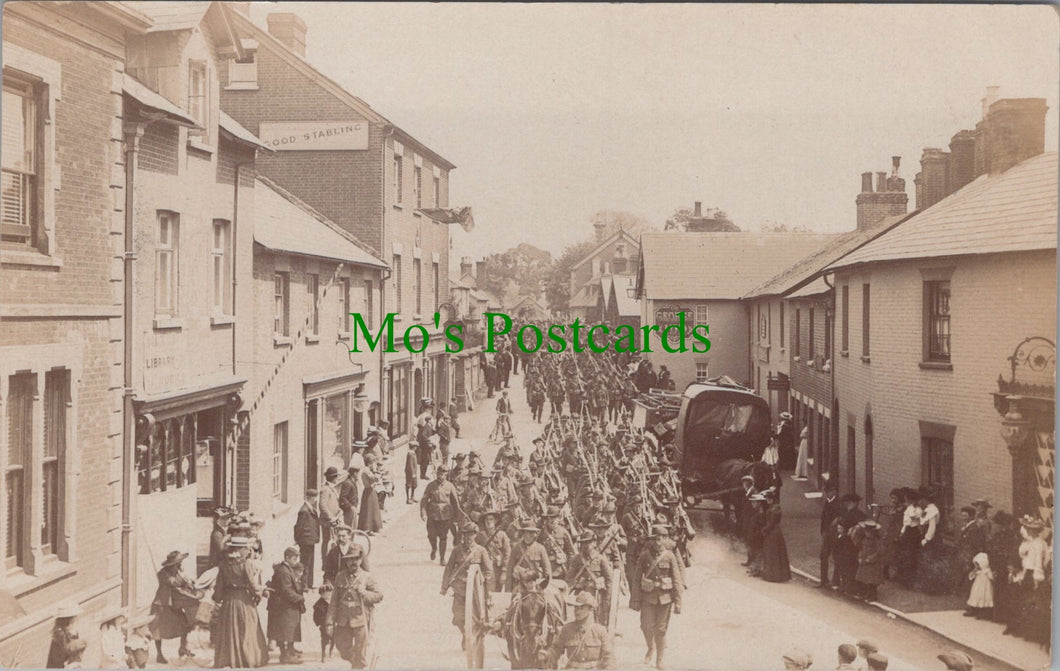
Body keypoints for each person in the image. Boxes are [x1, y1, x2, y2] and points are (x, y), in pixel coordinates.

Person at [441, 520, 494, 667]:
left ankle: (473, 634)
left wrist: (488, 589)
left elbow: (489, 571)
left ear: (476, 535)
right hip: (460, 589)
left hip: (476, 592)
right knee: (458, 618)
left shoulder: (481, 551)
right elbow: (449, 568)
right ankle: (465, 634)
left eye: (471, 535)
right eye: (465, 535)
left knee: (478, 619)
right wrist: (444, 587)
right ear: (462, 535)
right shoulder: (457, 550)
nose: (468, 537)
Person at [630, 524, 683, 670]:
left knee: (660, 630)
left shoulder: (670, 556)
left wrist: (678, 601)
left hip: (665, 598)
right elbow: (636, 579)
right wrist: (634, 599)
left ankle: (659, 659)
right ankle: (650, 647)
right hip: (648, 597)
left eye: (659, 539)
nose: (656, 543)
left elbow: (677, 579)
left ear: (665, 539)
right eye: (654, 539)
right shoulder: (644, 555)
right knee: (646, 626)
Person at [212, 536, 268, 668]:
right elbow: (252, 584)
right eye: (246, 548)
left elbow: (219, 587)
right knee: (247, 628)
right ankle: (247, 659)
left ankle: (229, 659)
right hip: (243, 600)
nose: (248, 550)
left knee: (229, 630)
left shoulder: (224, 565)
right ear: (241, 549)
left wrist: (217, 599)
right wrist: (258, 594)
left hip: (229, 601)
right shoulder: (245, 564)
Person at [326, 544, 383, 669]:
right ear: (346, 561)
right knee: (342, 647)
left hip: (360, 618)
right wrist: (329, 623)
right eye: (350, 559)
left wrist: (365, 593)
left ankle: (358, 665)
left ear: (361, 560)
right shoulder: (340, 576)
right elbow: (334, 601)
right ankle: (357, 662)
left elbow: (379, 595)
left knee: (360, 651)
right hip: (343, 620)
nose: (353, 562)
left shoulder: (367, 577)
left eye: (356, 559)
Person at [148, 550, 200, 663]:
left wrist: (189, 581)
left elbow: (183, 583)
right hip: (161, 604)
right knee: (158, 630)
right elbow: (173, 582)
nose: (181, 565)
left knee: (185, 624)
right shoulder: (163, 574)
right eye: (179, 563)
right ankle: (159, 655)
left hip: (173, 604)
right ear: (173, 564)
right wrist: (184, 579)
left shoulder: (176, 571)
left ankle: (183, 648)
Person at [547, 592, 616, 670]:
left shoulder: (600, 631)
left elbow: (609, 657)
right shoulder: (567, 629)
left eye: (581, 608)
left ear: (590, 609)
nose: (577, 611)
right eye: (575, 608)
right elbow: (556, 649)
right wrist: (547, 655)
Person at [267, 546, 306, 664]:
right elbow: (286, 591)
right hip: (283, 606)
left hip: (283, 605)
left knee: (288, 629)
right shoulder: (284, 571)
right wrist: (300, 598)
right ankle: (285, 656)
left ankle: (290, 649)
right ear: (287, 558)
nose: (296, 561)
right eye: (294, 559)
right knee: (284, 630)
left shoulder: (286, 568)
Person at [421, 465, 464, 564]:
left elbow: (455, 502)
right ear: (437, 474)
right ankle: (434, 548)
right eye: (440, 474)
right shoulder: (430, 486)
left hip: (446, 516)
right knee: (431, 536)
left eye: (444, 475)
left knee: (443, 537)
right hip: (432, 515)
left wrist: (456, 517)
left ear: (446, 475)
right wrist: (423, 513)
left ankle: (442, 558)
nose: (441, 477)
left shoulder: (450, 486)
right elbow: (424, 500)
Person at [506, 521, 553, 592]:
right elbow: (509, 571)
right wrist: (508, 590)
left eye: (532, 532)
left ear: (535, 534)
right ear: (523, 533)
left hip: (535, 585)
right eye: (527, 532)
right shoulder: (516, 548)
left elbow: (547, 570)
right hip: (520, 584)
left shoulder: (540, 548)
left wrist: (546, 587)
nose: (529, 535)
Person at [757, 488, 791, 583]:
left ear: (771, 499)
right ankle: (775, 574)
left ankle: (773, 575)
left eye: (768, 499)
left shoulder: (775, 508)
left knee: (772, 553)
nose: (767, 500)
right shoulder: (774, 507)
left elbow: (771, 522)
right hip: (775, 532)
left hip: (773, 532)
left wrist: (764, 530)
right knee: (774, 553)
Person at [477, 509, 511, 592]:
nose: (488, 522)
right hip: (483, 568)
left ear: (496, 521)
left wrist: (504, 571)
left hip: (497, 569)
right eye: (486, 519)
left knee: (495, 593)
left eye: (491, 519)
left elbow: (507, 553)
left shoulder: (502, 535)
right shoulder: (480, 535)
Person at [295, 489, 323, 589]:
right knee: (305, 563)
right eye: (315, 498)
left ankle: (309, 583)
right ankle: (304, 585)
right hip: (305, 541)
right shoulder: (304, 511)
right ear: (311, 498)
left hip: (310, 540)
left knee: (310, 562)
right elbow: (299, 526)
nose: (316, 500)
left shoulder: (310, 508)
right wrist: (297, 540)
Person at [47, 603, 88, 669]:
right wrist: (79, 644)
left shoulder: (72, 631)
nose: (77, 617)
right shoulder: (60, 632)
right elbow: (64, 651)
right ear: (70, 618)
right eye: (75, 616)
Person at [855, 521, 885, 601]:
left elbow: (880, 551)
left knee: (872, 580)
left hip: (873, 564)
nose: (866, 533)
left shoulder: (877, 540)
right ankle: (866, 594)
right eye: (866, 531)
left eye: (868, 531)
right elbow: (861, 549)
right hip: (864, 561)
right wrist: (860, 557)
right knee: (865, 579)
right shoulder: (864, 539)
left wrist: (871, 558)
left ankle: (873, 596)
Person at [818, 483, 840, 588]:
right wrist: (822, 531)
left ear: (833, 491)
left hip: (834, 534)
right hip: (826, 533)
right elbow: (823, 518)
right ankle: (824, 580)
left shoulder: (838, 503)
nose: (826, 494)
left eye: (827, 492)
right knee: (823, 556)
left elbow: (840, 518)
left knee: (836, 556)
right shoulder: (827, 502)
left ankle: (835, 581)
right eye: (825, 492)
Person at [320, 467, 344, 558]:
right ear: (333, 478)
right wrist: (331, 517)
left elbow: (334, 503)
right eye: (336, 477)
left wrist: (339, 510)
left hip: (334, 519)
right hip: (327, 521)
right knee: (327, 541)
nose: (337, 479)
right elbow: (323, 506)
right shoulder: (325, 489)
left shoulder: (331, 488)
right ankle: (325, 562)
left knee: (333, 540)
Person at [358, 454, 384, 534]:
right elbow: (374, 479)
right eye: (373, 462)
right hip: (369, 490)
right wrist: (379, 473)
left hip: (369, 490)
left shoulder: (366, 470)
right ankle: (368, 528)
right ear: (369, 463)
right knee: (370, 509)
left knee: (372, 509)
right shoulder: (366, 470)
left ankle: (371, 528)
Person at [964, 552, 994, 619]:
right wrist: (974, 572)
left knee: (983, 597)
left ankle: (983, 613)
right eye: (976, 565)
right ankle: (974, 609)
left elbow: (991, 577)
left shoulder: (987, 571)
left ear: (983, 564)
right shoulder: (977, 571)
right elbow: (970, 577)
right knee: (975, 595)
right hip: (977, 586)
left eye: (978, 565)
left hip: (985, 586)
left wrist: (991, 575)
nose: (976, 566)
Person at [313, 585, 335, 662]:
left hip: (333, 624)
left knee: (334, 638)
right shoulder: (318, 605)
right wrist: (318, 623)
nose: (328, 596)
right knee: (324, 639)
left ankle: (331, 650)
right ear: (321, 595)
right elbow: (316, 615)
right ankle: (323, 655)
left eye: (330, 594)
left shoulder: (334, 603)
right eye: (325, 594)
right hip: (324, 625)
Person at [339, 464, 360, 528]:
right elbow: (343, 497)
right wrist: (350, 506)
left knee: (352, 527)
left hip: (353, 508)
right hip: (349, 509)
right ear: (354, 473)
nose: (358, 475)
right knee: (348, 527)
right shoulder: (348, 483)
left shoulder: (352, 482)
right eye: (358, 473)